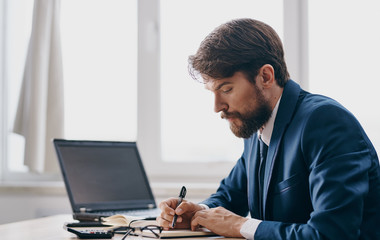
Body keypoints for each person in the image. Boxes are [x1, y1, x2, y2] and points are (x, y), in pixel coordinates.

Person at [156, 18, 380, 239]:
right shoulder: (256, 126)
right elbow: (231, 196)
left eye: (226, 89)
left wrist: (241, 226)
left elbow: (330, 235)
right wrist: (198, 213)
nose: (217, 107)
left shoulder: (326, 121)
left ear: (265, 76)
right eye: (212, 92)